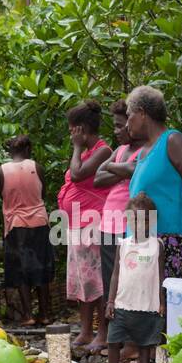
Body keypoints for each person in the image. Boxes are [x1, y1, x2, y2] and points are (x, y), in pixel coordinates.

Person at [125, 85, 182, 280]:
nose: (127, 123)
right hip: (142, 242)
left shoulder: (173, 140)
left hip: (170, 241)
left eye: (129, 115)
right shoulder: (144, 151)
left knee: (170, 307)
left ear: (142, 113)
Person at [57, 100, 112, 347]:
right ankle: (86, 329)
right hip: (77, 223)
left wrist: (77, 148)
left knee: (97, 279)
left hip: (94, 222)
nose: (70, 134)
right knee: (82, 279)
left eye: (72, 129)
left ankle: (103, 332)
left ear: (80, 129)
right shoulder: (85, 151)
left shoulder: (103, 150)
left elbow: (78, 174)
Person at [92, 99, 139, 354]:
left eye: (120, 126)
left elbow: (136, 170)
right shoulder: (120, 151)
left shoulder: (143, 150)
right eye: (115, 126)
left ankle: (130, 339)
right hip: (108, 223)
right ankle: (113, 335)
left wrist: (113, 168)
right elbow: (98, 179)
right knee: (110, 282)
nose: (116, 131)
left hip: (129, 225)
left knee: (130, 281)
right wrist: (119, 168)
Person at [0, 134, 53, 325]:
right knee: (41, 269)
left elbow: (1, 194)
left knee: (21, 271)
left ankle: (28, 315)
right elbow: (42, 193)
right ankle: (45, 314)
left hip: (15, 224)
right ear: (28, 150)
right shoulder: (37, 167)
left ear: (11, 151)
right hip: (39, 222)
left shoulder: (1, 171)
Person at [106, 192, 164, 363]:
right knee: (113, 341)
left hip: (147, 305)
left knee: (144, 343)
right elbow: (115, 274)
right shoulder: (122, 244)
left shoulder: (157, 245)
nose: (138, 224)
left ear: (151, 221)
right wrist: (110, 301)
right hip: (122, 303)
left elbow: (160, 275)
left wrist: (161, 302)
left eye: (144, 220)